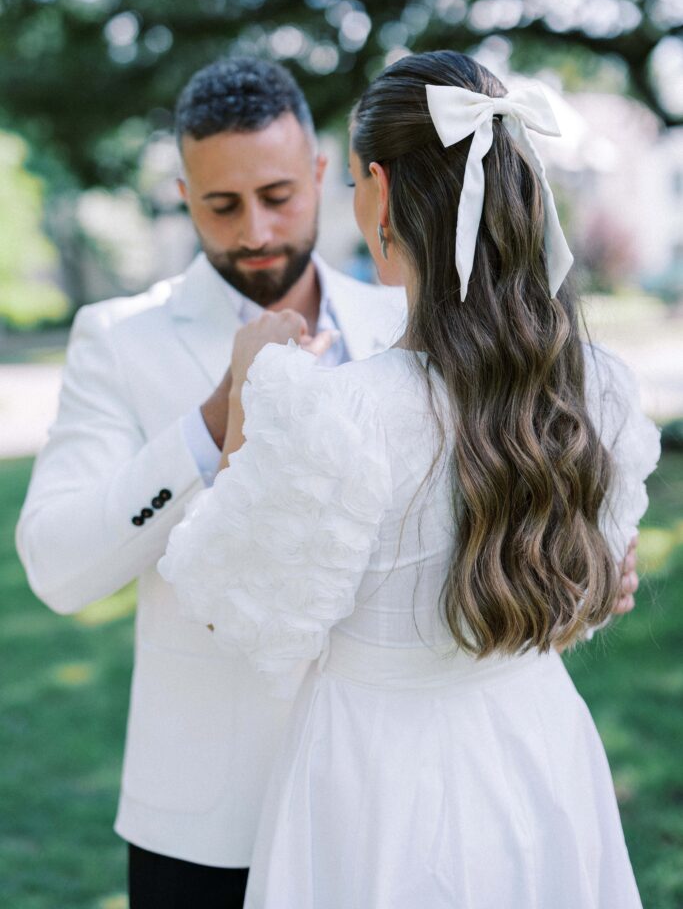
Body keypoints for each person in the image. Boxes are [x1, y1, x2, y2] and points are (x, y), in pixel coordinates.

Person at [159, 50, 660, 908]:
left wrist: (250, 391)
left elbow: (232, 604)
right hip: (538, 746)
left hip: (376, 776)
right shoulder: (597, 387)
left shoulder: (337, 414)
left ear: (379, 194)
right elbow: (593, 585)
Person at [16, 57, 406, 908]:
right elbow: (56, 568)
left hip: (385, 797)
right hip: (207, 820)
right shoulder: (118, 340)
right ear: (186, 195)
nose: (257, 231)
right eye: (222, 206)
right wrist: (212, 416)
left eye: (278, 196)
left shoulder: (405, 318)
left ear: (320, 175)